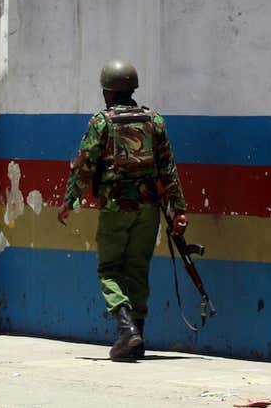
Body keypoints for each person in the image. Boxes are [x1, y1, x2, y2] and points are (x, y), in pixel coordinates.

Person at [56, 60, 188, 362]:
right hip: (149, 208)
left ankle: (127, 330)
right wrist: (178, 209)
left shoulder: (101, 122)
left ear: (107, 93)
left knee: (110, 269)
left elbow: (85, 163)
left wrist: (70, 201)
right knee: (138, 268)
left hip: (116, 207)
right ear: (132, 88)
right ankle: (137, 336)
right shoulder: (154, 121)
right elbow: (168, 168)